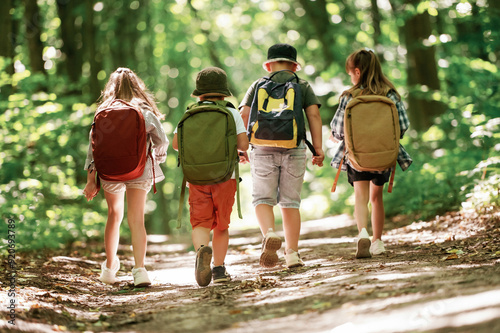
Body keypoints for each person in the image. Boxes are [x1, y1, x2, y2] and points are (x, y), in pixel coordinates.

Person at [239, 43, 324, 269]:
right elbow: (314, 115)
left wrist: (241, 147)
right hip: (294, 148)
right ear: (295, 66)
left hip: (262, 148)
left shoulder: (258, 85)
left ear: (268, 65)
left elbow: (244, 114)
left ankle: (269, 233)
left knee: (262, 199)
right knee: (290, 203)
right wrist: (318, 148)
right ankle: (292, 254)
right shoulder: (302, 85)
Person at [83, 67, 169, 286]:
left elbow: (93, 148)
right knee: (136, 220)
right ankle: (140, 270)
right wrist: (155, 160)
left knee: (114, 215)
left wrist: (91, 180)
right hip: (139, 171)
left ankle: (110, 268)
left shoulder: (102, 112)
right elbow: (162, 141)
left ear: (111, 87)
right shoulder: (143, 111)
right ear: (136, 86)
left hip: (110, 173)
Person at [330, 48, 412, 258]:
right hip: (384, 155)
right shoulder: (390, 94)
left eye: (350, 73)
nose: (350, 76)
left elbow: (338, 130)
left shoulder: (349, 96)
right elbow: (403, 127)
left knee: (360, 196)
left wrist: (335, 136)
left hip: (356, 156)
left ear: (357, 72)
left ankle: (362, 233)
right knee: (377, 197)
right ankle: (377, 241)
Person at [172, 67, 249, 286]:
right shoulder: (231, 111)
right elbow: (243, 144)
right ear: (223, 92)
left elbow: (177, 145)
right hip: (224, 176)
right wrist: (234, 151)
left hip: (196, 177)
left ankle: (201, 252)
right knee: (221, 226)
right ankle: (218, 269)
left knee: (200, 223)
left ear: (199, 93)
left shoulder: (190, 112)